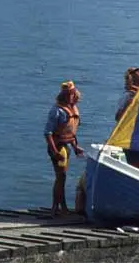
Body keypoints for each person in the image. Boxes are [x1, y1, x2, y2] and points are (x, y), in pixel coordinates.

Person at [43, 80, 84, 216]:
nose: (70, 96)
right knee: (61, 176)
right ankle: (57, 207)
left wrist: (75, 147)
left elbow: (70, 132)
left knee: (62, 177)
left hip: (66, 146)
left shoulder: (72, 109)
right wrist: (54, 152)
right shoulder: (57, 111)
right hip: (58, 147)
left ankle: (62, 207)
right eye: (67, 94)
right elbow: (48, 133)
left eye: (71, 93)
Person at [114, 67, 139, 171]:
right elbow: (118, 117)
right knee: (138, 168)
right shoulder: (128, 96)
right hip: (130, 138)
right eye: (138, 73)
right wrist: (128, 106)